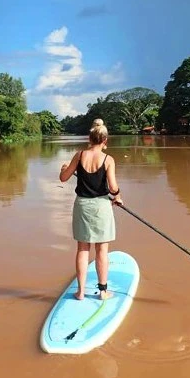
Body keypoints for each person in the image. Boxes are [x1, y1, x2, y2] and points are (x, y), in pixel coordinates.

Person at [59, 122, 123, 300]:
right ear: (105, 140)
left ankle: (80, 292)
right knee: (102, 250)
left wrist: (64, 169)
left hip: (82, 206)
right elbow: (113, 187)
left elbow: (63, 178)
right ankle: (103, 291)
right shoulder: (108, 159)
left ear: (89, 139)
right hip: (101, 207)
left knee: (82, 249)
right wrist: (117, 196)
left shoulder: (79, 155)